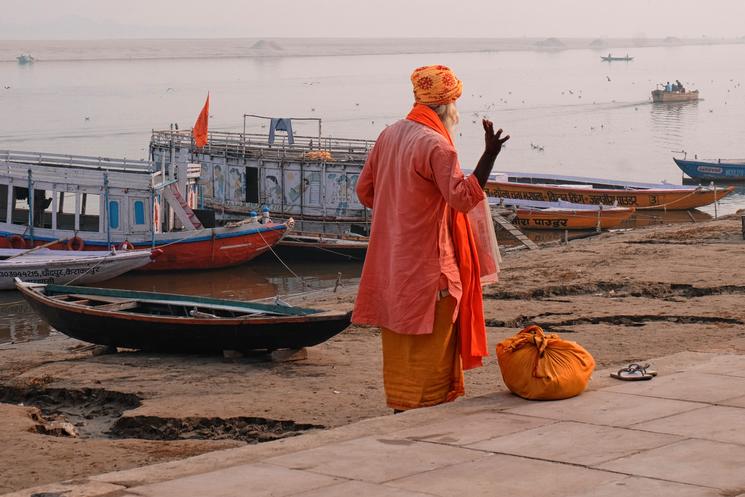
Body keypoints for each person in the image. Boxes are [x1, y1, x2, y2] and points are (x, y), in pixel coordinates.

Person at [352, 65, 510, 412]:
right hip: (431, 270)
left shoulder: (389, 135)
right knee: (430, 356)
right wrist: (489, 156)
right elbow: (462, 198)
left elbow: (365, 191)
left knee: (401, 342)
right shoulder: (437, 145)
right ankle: (422, 416)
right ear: (448, 106)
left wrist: (400, 208)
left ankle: (400, 407)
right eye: (455, 104)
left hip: (393, 266)